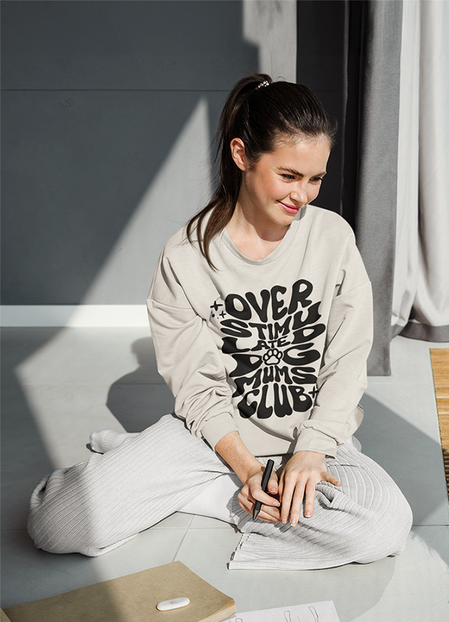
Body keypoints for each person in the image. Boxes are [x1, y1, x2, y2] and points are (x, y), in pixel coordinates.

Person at [28, 74, 413, 570]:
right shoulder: (186, 257)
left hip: (311, 437)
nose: (305, 195)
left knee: (383, 526)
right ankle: (213, 487)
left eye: (316, 178)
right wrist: (247, 469)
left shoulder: (333, 238)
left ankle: (206, 495)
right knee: (56, 524)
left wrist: (312, 451)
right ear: (241, 155)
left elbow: (346, 359)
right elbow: (199, 387)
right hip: (213, 437)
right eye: (290, 175)